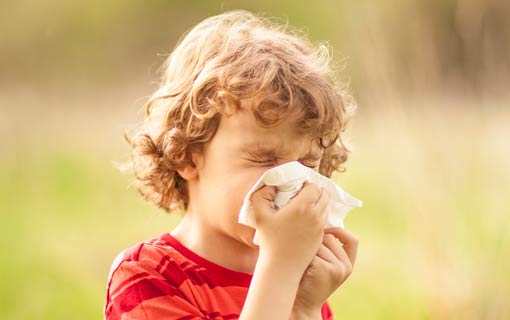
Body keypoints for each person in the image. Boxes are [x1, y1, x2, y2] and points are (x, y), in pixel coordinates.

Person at [104, 10, 359, 320]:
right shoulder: (147, 277)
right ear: (187, 155)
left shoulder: (299, 284)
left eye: (308, 164)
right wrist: (280, 268)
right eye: (263, 159)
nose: (290, 183)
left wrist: (306, 309)